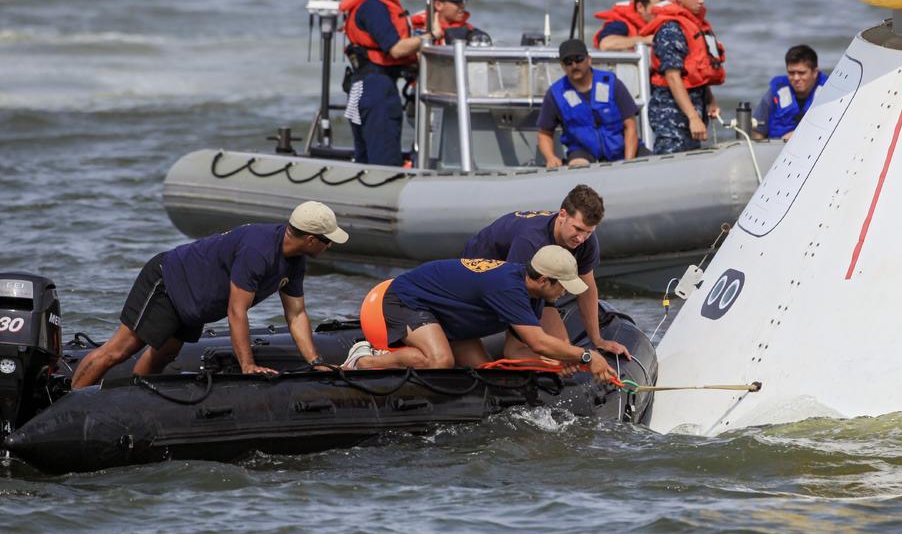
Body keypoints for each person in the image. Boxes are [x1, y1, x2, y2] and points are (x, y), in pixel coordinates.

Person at [70, 201, 349, 389]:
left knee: (165, 354)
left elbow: (296, 314)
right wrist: (248, 365)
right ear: (311, 239)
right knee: (120, 350)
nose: (330, 246)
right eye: (328, 240)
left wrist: (315, 363)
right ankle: (72, 400)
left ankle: (132, 397)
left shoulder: (296, 260)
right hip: (169, 280)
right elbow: (236, 311)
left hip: (195, 301)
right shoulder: (259, 250)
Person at [341, 247, 618, 384]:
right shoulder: (508, 287)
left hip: (446, 316)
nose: (565, 293)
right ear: (544, 280)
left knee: (482, 371)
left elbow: (517, 352)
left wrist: (561, 362)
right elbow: (538, 342)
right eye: (563, 286)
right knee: (439, 361)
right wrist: (585, 355)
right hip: (404, 299)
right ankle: (366, 361)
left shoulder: (532, 294)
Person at [462, 184, 631, 359]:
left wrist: (597, 340)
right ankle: (512, 350)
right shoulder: (530, 242)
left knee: (563, 348)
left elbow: (587, 288)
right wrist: (528, 342)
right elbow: (514, 293)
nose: (581, 238)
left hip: (536, 282)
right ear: (562, 215)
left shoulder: (586, 241)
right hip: (483, 270)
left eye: (588, 232)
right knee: (530, 350)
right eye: (578, 229)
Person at [340, 0, 422, 166]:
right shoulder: (374, 6)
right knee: (383, 160)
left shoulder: (365, 4)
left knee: (365, 156)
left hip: (358, 86)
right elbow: (395, 49)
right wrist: (429, 37)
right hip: (376, 88)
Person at [642, 0, 726, 154]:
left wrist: (710, 100)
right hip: (671, 116)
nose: (701, 0)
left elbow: (695, 72)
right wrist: (692, 117)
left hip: (693, 114)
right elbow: (673, 77)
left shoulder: (696, 26)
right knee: (670, 167)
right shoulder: (670, 29)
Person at [537, 38, 640, 167]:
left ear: (589, 59)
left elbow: (630, 126)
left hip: (621, 148)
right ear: (563, 66)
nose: (574, 65)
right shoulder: (555, 94)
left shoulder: (612, 83)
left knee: (651, 164)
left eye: (579, 59)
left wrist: (628, 163)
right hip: (582, 152)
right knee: (578, 167)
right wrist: (550, 157)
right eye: (568, 62)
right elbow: (544, 133)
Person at [752, 44, 827, 141]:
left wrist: (800, 135)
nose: (796, 78)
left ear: (815, 72)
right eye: (791, 73)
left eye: (801, 73)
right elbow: (757, 132)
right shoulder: (774, 94)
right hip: (776, 150)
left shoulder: (829, 94)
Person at [593, 0, 667, 51]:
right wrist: (645, 40)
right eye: (656, 8)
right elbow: (605, 44)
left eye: (662, 8)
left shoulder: (665, 22)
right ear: (640, 7)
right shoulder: (621, 24)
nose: (660, 12)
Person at [412, 0, 490, 45]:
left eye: (463, 1)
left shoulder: (468, 30)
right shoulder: (419, 27)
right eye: (456, 2)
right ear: (439, 5)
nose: (462, 6)